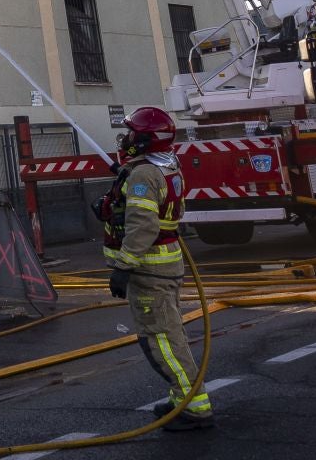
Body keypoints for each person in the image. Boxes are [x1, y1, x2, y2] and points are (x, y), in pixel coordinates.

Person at [97, 105, 213, 431]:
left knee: (161, 339)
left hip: (148, 271)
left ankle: (194, 407)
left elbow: (143, 227)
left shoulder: (144, 174)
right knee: (170, 334)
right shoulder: (166, 166)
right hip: (165, 264)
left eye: (133, 133)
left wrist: (123, 266)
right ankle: (182, 399)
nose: (127, 138)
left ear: (146, 139)